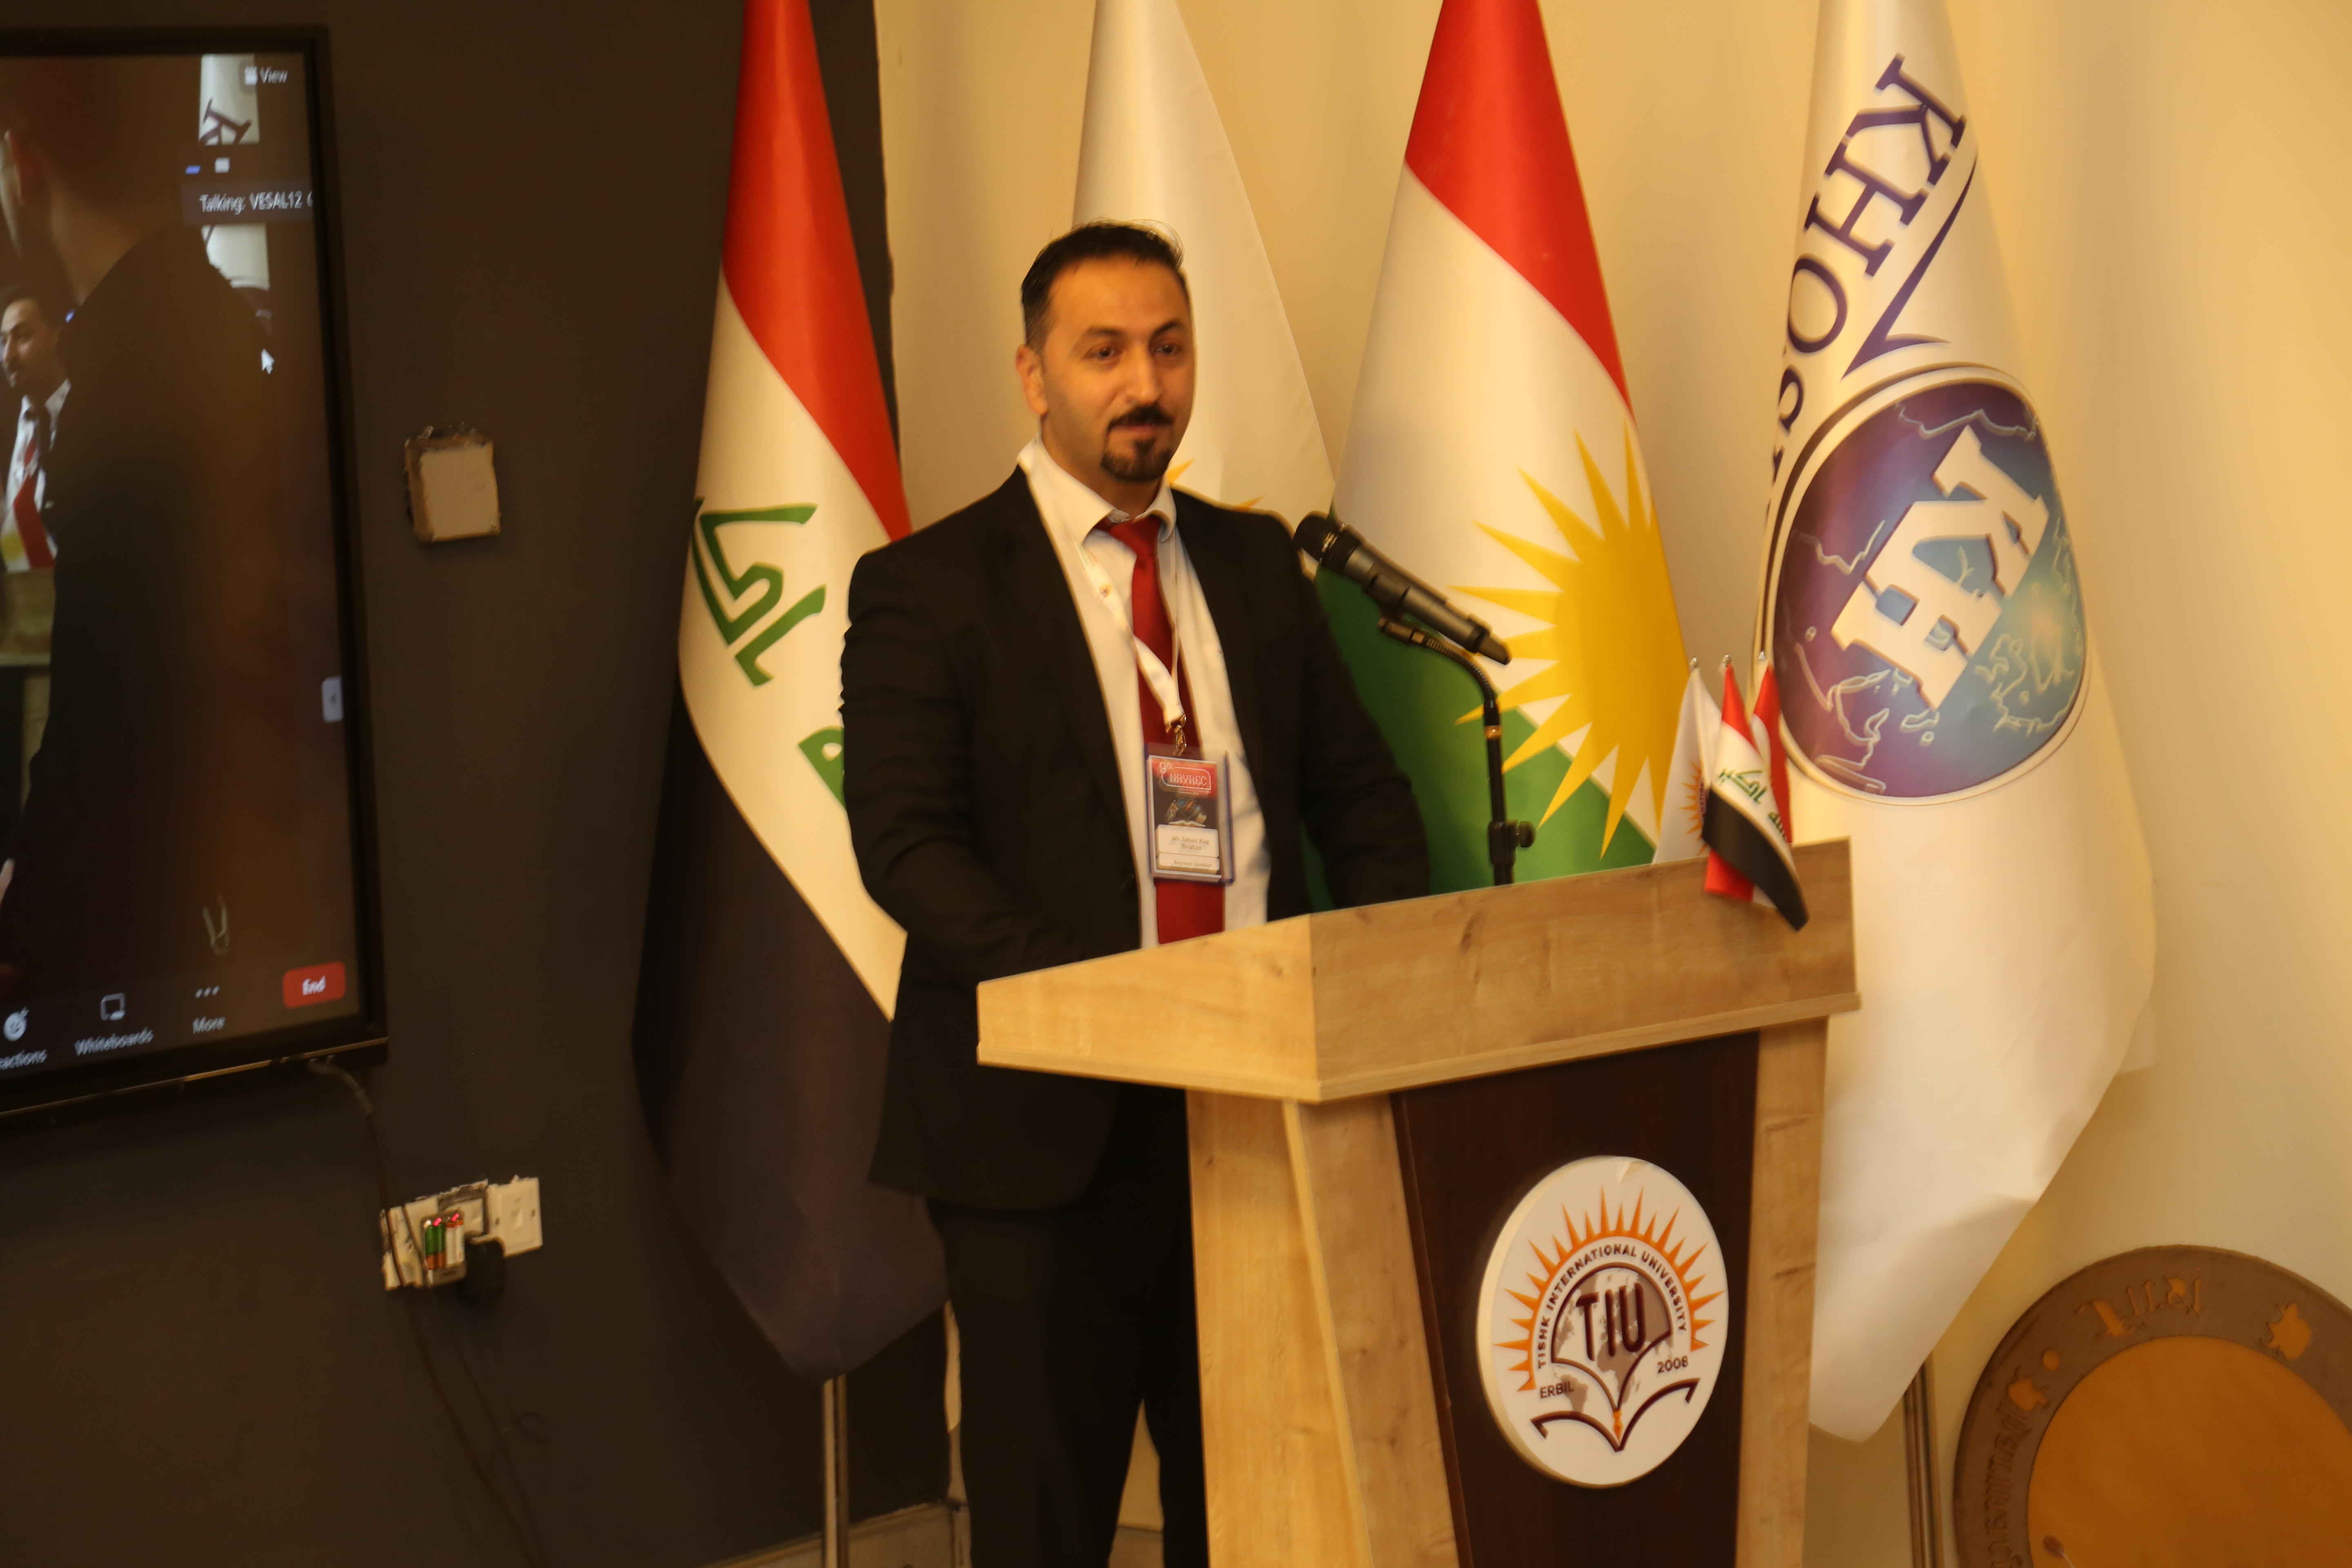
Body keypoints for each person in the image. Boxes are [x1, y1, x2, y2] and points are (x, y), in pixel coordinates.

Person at [841, 223, 1428, 1568]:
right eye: (1103, 352)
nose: (1143, 384)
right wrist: (1110, 1003)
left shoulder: (1256, 563)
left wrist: (1371, 990)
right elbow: (908, 848)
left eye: (1168, 347)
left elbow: (1361, 802)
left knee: (1265, 1520)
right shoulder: (928, 588)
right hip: (1044, 1138)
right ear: (1034, 375)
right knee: (1048, 1523)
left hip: (1260, 1122)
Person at [0, 56, 302, 996]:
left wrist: (26, 917)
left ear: (25, 166)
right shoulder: (213, 326)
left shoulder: (126, 387)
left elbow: (105, 714)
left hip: (151, 933)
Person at [0, 281, 65, 571]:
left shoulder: (93, 419)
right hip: (17, 591)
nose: (8, 356)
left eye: (22, 337)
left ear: (55, 336)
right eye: (3, 341)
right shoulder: (6, 428)